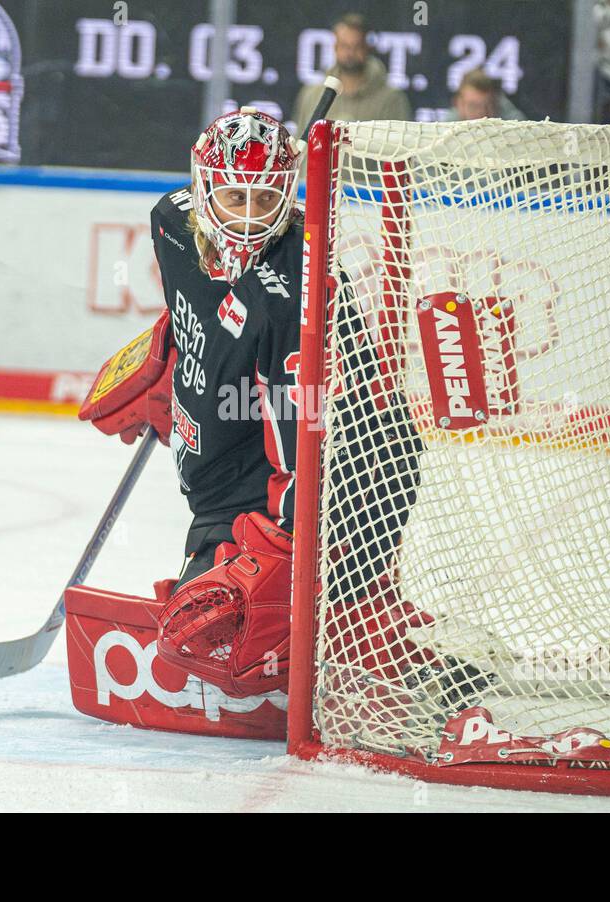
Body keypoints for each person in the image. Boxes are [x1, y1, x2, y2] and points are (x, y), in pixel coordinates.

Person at [81, 108, 443, 700]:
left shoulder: (294, 291)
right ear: (202, 189)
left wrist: (280, 545)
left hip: (279, 496)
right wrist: (172, 363)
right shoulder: (171, 222)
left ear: (289, 193)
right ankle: (343, 614)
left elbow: (310, 430)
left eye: (264, 200)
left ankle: (352, 610)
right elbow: (193, 302)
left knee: (206, 649)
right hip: (219, 478)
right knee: (201, 646)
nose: (248, 219)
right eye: (234, 198)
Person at [292, 13, 410, 133]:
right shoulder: (312, 95)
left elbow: (400, 146)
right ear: (335, 47)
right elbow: (301, 145)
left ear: (367, 48)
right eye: (344, 46)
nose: (350, 53)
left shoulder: (391, 99)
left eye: (357, 46)